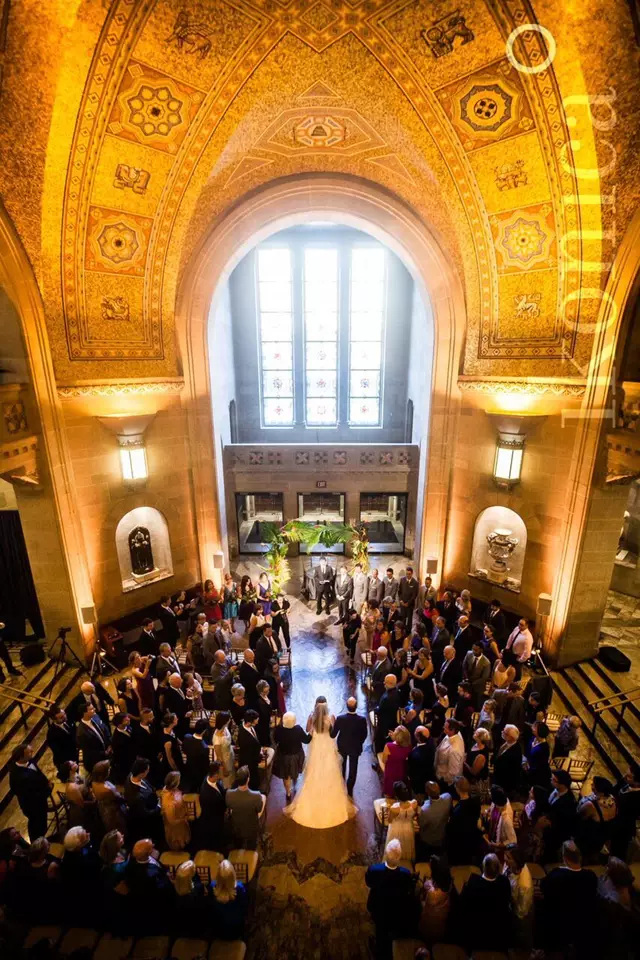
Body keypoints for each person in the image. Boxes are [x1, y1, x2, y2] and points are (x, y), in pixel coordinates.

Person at [285, 697, 357, 827]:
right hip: (327, 745)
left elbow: (308, 730)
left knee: (314, 768)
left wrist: (313, 726)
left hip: (316, 745)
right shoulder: (331, 717)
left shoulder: (312, 717)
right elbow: (332, 733)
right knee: (330, 769)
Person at [540, 839, 598, 954]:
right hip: (582, 928)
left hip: (558, 928)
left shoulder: (555, 876)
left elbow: (544, 889)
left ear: (564, 857)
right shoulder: (591, 877)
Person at [365, 840, 418, 960]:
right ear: (399, 857)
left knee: (380, 931)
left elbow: (368, 883)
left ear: (386, 854)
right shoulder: (406, 874)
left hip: (378, 908)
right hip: (396, 910)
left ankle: (379, 950)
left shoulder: (374, 869)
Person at [460, 853, 511, 952]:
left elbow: (464, 906)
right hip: (497, 935)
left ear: (483, 867)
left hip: (476, 934)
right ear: (498, 869)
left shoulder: (473, 883)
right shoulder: (504, 883)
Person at [59, 826, 102, 925]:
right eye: (85, 835)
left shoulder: (70, 852)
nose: (88, 834)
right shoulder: (84, 862)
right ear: (78, 845)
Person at [126, 838, 175, 922]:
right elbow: (161, 887)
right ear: (148, 852)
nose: (153, 845)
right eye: (151, 847)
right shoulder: (150, 874)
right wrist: (169, 879)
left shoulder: (138, 859)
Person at [9, 744, 51, 841]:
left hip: (40, 800)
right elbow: (31, 794)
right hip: (33, 806)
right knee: (37, 826)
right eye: (29, 752)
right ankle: (37, 844)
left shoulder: (29, 760)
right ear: (21, 757)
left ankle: (43, 840)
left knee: (42, 823)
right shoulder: (18, 775)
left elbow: (38, 772)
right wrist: (47, 790)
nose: (32, 752)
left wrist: (46, 781)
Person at [330, 697, 368, 798]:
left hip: (342, 745)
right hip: (355, 747)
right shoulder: (362, 720)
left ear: (347, 706)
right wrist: (359, 742)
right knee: (353, 769)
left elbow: (333, 734)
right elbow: (364, 734)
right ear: (356, 707)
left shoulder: (340, 719)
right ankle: (350, 789)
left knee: (342, 765)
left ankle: (341, 785)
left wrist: (331, 725)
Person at [576, 775, 618, 863]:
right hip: (602, 837)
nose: (591, 786)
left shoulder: (590, 805)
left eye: (593, 785)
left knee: (582, 856)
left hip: (588, 837)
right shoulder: (613, 800)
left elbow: (580, 815)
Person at [272, 711, 311, 804]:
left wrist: (277, 726)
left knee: (286, 776)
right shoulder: (298, 729)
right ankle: (295, 779)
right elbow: (306, 740)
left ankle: (288, 793)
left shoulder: (279, 730)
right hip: (296, 755)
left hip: (283, 756)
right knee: (295, 769)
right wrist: (311, 732)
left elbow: (275, 740)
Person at [124, 758, 163, 845]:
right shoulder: (137, 797)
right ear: (141, 773)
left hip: (151, 802)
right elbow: (146, 814)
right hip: (149, 818)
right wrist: (159, 806)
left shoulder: (132, 775)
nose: (148, 772)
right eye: (147, 770)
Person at [226, 765, 266, 849]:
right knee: (251, 846)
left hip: (236, 827)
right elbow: (259, 810)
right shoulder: (257, 796)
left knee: (237, 844)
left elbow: (229, 806)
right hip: (251, 827)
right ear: (248, 779)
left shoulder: (229, 794)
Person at [503, 843, 534, 951]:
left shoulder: (524, 885)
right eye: (505, 855)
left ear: (517, 861)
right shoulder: (511, 865)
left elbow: (521, 911)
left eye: (508, 858)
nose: (505, 859)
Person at [445, 776, 481, 865]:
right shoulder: (475, 801)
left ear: (457, 788)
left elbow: (451, 830)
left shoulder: (458, 810)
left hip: (460, 843)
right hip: (472, 838)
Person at [418, 854, 453, 946]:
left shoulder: (431, 893)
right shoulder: (449, 886)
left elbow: (423, 901)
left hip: (427, 930)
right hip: (443, 929)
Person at [209, 859, 248, 941]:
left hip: (218, 930)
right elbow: (244, 906)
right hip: (236, 930)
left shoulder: (212, 886)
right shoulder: (239, 888)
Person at [546, 767, 578, 859]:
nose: (551, 780)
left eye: (554, 780)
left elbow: (563, 823)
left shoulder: (568, 802)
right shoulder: (553, 788)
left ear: (562, 785)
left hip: (556, 833)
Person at [92, 759, 127, 834]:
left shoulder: (94, 782)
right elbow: (119, 799)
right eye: (108, 769)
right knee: (116, 830)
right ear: (103, 773)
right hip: (112, 812)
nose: (110, 769)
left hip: (103, 807)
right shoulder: (106, 790)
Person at [198, 760, 227, 852]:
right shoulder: (208, 794)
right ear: (215, 775)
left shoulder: (210, 778)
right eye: (221, 772)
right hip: (213, 820)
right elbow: (219, 807)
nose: (223, 773)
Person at [76, 701, 111, 774]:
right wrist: (104, 753)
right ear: (84, 713)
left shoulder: (95, 716)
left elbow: (105, 729)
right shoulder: (81, 732)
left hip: (107, 752)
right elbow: (89, 751)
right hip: (96, 760)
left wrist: (109, 744)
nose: (94, 709)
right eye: (91, 709)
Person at [418, 782, 452, 857]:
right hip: (442, 837)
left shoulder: (425, 810)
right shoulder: (448, 797)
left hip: (428, 840)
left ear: (427, 792)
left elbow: (421, 824)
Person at [386, 780, 417, 861]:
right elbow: (414, 815)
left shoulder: (394, 808)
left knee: (395, 848)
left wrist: (388, 810)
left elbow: (389, 821)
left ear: (396, 796)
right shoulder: (414, 803)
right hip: (408, 828)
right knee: (407, 845)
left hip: (396, 830)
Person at [61, 759, 96, 830]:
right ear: (69, 770)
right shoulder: (72, 787)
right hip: (80, 812)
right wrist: (95, 801)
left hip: (87, 799)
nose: (75, 762)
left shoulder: (75, 774)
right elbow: (82, 804)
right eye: (72, 764)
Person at [161, 771, 191, 851]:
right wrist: (184, 819)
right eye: (179, 780)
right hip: (176, 829)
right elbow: (172, 821)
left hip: (182, 821)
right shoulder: (168, 802)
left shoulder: (172, 788)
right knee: (179, 847)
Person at [374, 674, 400, 758]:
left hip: (384, 724)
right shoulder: (397, 691)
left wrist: (376, 709)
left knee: (379, 742)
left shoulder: (387, 698)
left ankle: (379, 759)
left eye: (385, 682)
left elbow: (380, 711)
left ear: (389, 683)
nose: (383, 683)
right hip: (392, 721)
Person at [46, 706, 77, 778]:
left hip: (74, 754)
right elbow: (58, 751)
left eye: (64, 714)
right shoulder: (51, 733)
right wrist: (70, 762)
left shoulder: (69, 721)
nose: (65, 717)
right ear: (54, 720)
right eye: (61, 717)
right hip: (64, 760)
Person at [381, 725, 412, 797]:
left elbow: (383, 760)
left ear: (397, 736)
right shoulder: (408, 747)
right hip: (401, 772)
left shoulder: (388, 746)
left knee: (389, 792)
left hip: (390, 772)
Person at [493, 723, 523, 798]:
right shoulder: (506, 743)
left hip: (505, 783)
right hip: (498, 777)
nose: (502, 732)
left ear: (511, 737)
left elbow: (511, 771)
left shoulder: (515, 751)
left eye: (505, 732)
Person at [434, 718, 465, 788]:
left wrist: (442, 779)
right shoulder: (452, 734)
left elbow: (453, 772)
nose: (443, 727)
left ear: (453, 730)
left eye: (445, 727)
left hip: (444, 780)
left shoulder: (454, 750)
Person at [237, 709, 263, 790]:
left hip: (253, 756)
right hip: (249, 762)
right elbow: (249, 753)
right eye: (256, 721)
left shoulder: (249, 726)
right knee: (252, 781)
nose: (257, 722)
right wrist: (259, 757)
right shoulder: (244, 737)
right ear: (249, 722)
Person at [182, 718, 210, 792]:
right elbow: (206, 765)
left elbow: (184, 750)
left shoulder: (187, 737)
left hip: (188, 770)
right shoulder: (204, 748)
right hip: (199, 774)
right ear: (204, 731)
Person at [464, 726, 491, 800]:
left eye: (476, 733)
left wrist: (464, 762)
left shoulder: (481, 755)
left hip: (475, 782)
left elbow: (474, 772)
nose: (474, 732)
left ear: (480, 738)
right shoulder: (475, 744)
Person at [407, 726, 435, 797]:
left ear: (418, 737)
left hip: (418, 781)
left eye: (415, 732)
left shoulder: (415, 755)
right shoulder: (431, 742)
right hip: (428, 775)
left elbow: (411, 767)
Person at [462, 641, 491, 709]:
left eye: (476, 650)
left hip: (477, 686)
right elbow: (464, 666)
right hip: (467, 682)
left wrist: (472, 683)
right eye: (473, 649)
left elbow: (484, 678)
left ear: (481, 650)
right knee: (464, 703)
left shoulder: (486, 662)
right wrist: (466, 678)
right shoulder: (469, 654)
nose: (473, 651)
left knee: (475, 704)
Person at [110, 711, 137, 784]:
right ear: (119, 724)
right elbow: (119, 755)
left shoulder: (128, 728)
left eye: (128, 717)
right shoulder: (117, 738)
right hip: (126, 762)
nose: (129, 719)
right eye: (126, 719)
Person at [212, 710, 235, 786]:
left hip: (230, 754)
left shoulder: (225, 728)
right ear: (224, 721)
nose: (230, 720)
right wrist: (224, 768)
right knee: (226, 779)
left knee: (232, 775)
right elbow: (219, 757)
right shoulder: (217, 739)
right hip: (224, 760)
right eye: (228, 719)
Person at [526, 719, 551, 788]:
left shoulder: (544, 748)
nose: (532, 728)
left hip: (536, 772)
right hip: (529, 765)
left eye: (535, 728)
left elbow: (541, 764)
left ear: (540, 732)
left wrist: (530, 767)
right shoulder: (533, 738)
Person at [161, 711, 183, 777]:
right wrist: (176, 770)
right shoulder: (168, 742)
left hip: (177, 755)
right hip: (171, 764)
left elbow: (176, 738)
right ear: (171, 722)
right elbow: (170, 759)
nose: (177, 719)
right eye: (176, 718)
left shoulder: (171, 729)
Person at [398, 565, 419, 630]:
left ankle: (408, 632)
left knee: (409, 619)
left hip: (410, 605)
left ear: (412, 574)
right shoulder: (402, 580)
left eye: (409, 574)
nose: (407, 575)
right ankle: (401, 630)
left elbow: (414, 595)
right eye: (406, 574)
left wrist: (408, 603)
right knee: (402, 618)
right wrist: (401, 600)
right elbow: (399, 591)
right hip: (402, 604)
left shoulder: (415, 583)